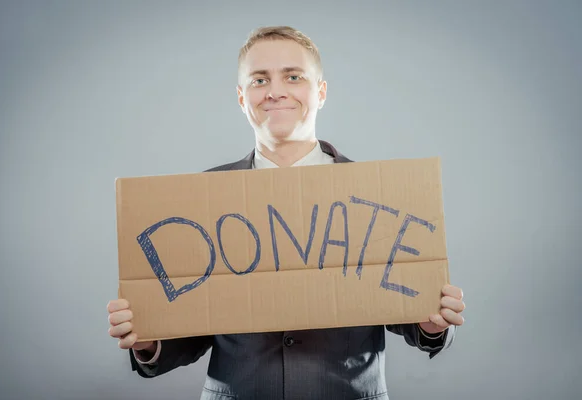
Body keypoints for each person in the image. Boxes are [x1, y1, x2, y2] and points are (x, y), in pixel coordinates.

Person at [106, 26, 466, 400]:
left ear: (321, 92)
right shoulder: (204, 196)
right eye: (260, 79)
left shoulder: (376, 192)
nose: (275, 91)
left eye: (293, 77)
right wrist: (149, 341)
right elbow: (192, 322)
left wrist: (431, 323)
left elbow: (402, 302)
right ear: (242, 97)